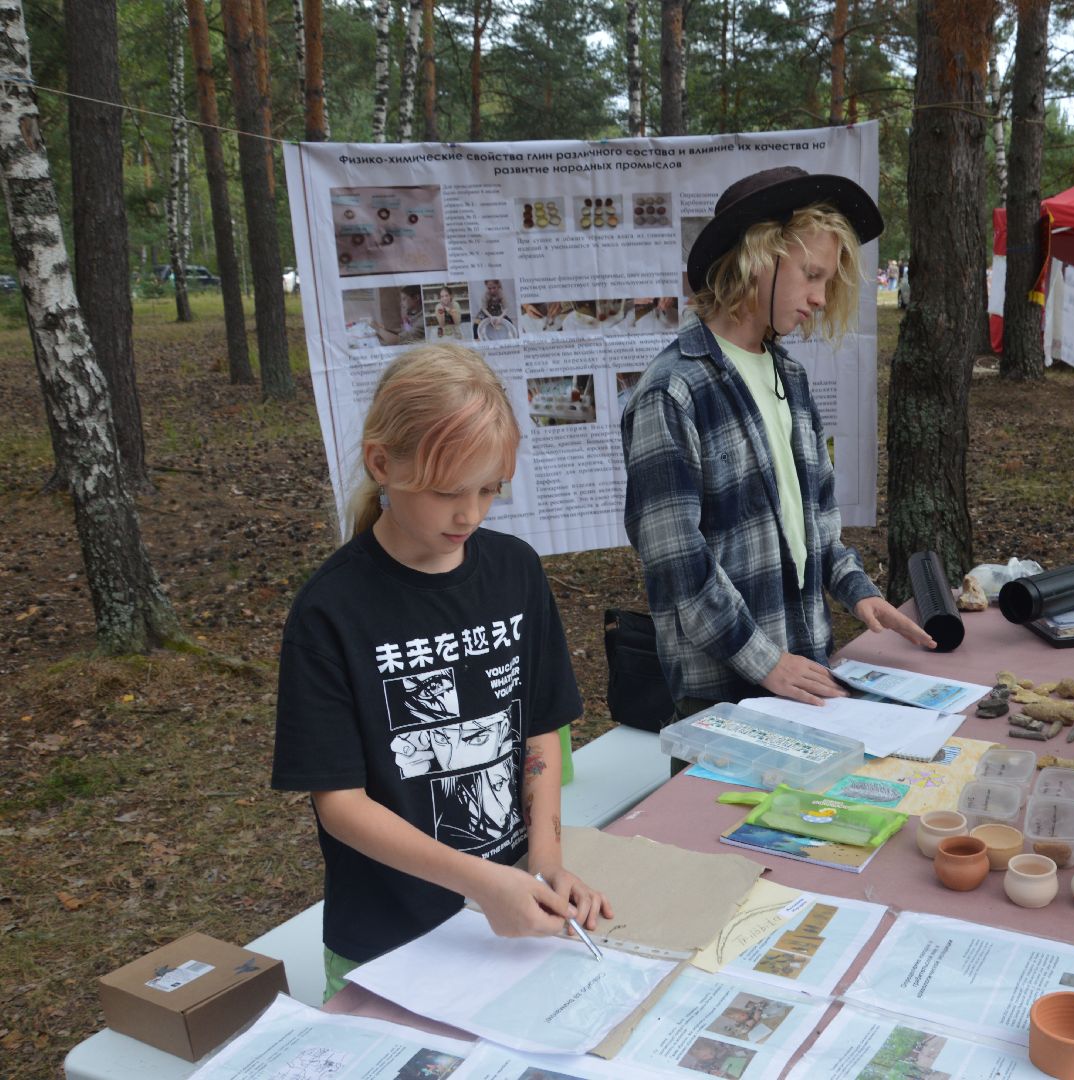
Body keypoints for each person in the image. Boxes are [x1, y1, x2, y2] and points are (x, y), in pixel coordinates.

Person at [271, 344, 611, 1000]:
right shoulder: (332, 611)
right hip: (389, 940)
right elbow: (339, 804)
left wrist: (543, 863)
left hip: (511, 915)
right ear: (382, 465)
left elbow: (539, 728)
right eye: (448, 491)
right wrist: (482, 884)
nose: (471, 514)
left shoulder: (515, 571)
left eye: (490, 489)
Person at [621, 165, 933, 723]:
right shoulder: (673, 391)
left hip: (805, 670)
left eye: (827, 283)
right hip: (722, 693)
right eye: (811, 275)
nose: (819, 298)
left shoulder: (789, 377)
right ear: (757, 257)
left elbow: (815, 525)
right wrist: (765, 661)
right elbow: (676, 563)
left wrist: (860, 592)